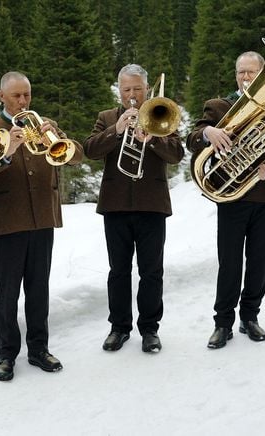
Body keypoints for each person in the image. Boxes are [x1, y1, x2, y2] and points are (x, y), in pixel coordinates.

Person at [0, 71, 84, 381]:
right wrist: (6, 153)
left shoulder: (43, 124)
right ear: (1, 96)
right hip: (8, 222)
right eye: (17, 96)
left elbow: (75, 156)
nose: (23, 101)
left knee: (39, 289)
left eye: (27, 95)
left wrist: (56, 137)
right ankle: (6, 355)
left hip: (42, 219)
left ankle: (38, 349)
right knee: (8, 293)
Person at [186, 51, 265, 349]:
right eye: (241, 72)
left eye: (251, 73)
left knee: (259, 261)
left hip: (264, 195)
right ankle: (223, 324)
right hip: (231, 196)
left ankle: (250, 317)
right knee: (229, 263)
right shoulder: (219, 106)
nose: (245, 77)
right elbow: (191, 138)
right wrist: (209, 132)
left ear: (261, 75)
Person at [83, 64, 184, 353]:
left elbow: (176, 154)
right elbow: (90, 149)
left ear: (146, 89)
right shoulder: (106, 118)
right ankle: (119, 327)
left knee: (152, 271)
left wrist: (152, 139)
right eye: (126, 89)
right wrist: (116, 131)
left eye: (137, 89)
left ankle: (150, 329)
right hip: (115, 206)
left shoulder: (161, 113)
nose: (132, 95)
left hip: (152, 205)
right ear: (119, 90)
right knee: (118, 271)